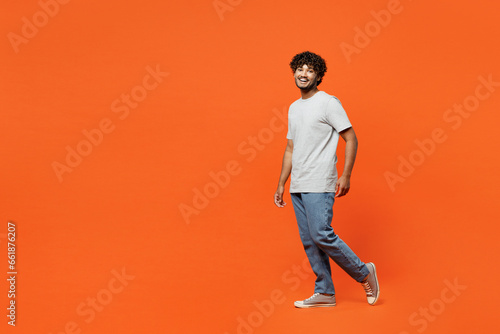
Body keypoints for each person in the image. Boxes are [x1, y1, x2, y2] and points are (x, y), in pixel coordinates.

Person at [274, 51, 379, 308]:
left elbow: (351, 138)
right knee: (310, 241)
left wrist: (346, 174)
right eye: (300, 69)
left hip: (320, 180)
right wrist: (281, 183)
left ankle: (364, 272)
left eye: (310, 70)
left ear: (318, 76)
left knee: (321, 234)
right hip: (298, 183)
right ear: (294, 73)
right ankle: (325, 292)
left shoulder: (328, 102)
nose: (303, 73)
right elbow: (290, 148)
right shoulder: (294, 108)